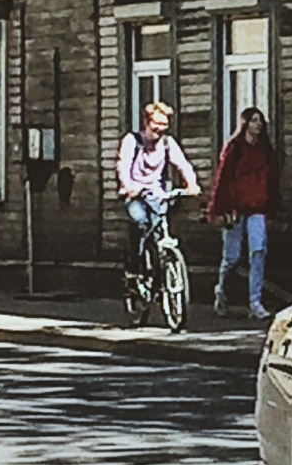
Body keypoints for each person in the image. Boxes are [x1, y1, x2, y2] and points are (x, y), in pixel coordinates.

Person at [206, 106, 279, 319]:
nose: (258, 125)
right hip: (236, 209)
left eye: (260, 121)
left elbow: (272, 181)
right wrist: (219, 208)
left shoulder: (266, 151)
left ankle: (255, 302)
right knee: (232, 257)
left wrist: (271, 209)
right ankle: (221, 291)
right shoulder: (235, 148)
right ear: (245, 124)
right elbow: (223, 179)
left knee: (258, 252)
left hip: (258, 207)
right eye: (254, 120)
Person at [114, 102, 198, 272]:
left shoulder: (167, 143)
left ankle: (161, 275)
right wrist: (128, 186)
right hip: (135, 194)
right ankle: (134, 266)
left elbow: (182, 164)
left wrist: (191, 184)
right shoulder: (132, 140)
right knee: (140, 222)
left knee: (160, 228)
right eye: (157, 124)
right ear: (147, 122)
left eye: (164, 124)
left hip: (156, 194)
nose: (161, 128)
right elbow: (123, 165)